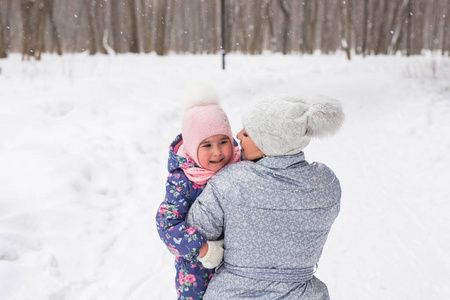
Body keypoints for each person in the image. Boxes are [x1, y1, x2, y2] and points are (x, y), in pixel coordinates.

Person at [186, 94, 345, 300]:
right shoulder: (325, 183)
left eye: (249, 133)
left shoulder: (232, 181)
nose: (238, 135)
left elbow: (197, 229)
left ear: (269, 141)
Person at [156, 87, 240, 300]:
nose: (217, 152)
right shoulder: (182, 180)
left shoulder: (241, 166)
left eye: (223, 141)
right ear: (193, 147)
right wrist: (202, 249)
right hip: (197, 273)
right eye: (207, 145)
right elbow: (167, 224)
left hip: (238, 266)